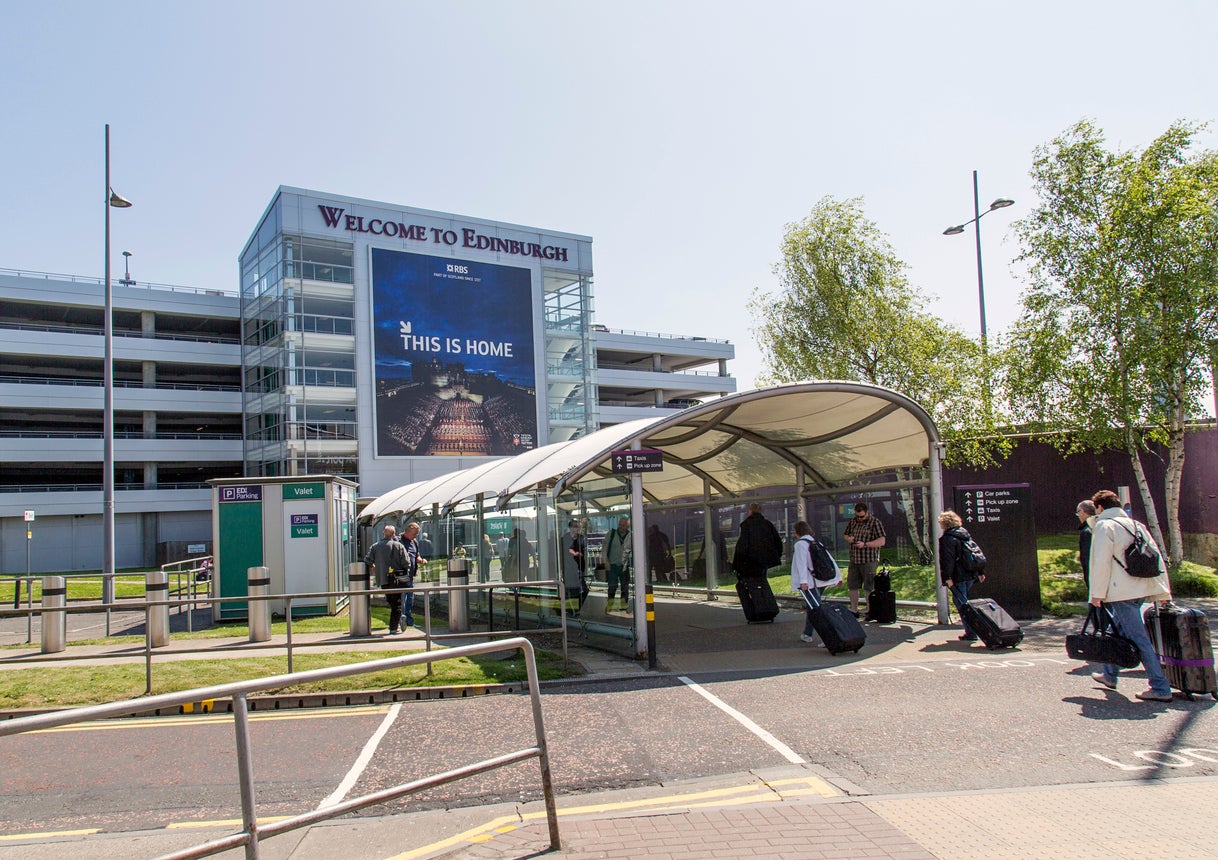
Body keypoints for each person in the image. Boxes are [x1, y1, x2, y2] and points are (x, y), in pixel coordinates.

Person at [1087, 489, 1173, 702]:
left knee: (1139, 639)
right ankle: (1109, 674)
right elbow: (1156, 558)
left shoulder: (1105, 526)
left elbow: (1101, 562)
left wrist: (1096, 594)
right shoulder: (1136, 525)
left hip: (1121, 591)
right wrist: (1163, 590)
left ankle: (1160, 687)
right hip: (1141, 589)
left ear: (1099, 507)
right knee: (1117, 632)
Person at [938, 510, 986, 641]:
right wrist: (980, 572)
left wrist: (947, 578)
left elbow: (948, 560)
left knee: (962, 605)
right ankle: (972, 631)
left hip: (957, 576)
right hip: (970, 574)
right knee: (964, 602)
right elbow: (974, 553)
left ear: (944, 523)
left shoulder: (948, 538)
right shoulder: (964, 534)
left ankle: (972, 632)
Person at [790, 520, 840, 645]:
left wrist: (802, 581)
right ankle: (807, 633)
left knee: (816, 610)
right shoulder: (816, 542)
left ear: (797, 532)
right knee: (813, 608)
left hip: (809, 582)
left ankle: (830, 637)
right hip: (820, 580)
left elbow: (801, 564)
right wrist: (838, 577)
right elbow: (829, 559)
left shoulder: (800, 544)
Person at [363, 524, 410, 635]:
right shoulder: (399, 546)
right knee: (397, 603)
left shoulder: (375, 546)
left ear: (383, 533)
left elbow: (367, 560)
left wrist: (373, 566)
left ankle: (397, 621)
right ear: (393, 535)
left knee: (391, 601)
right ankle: (394, 626)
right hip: (398, 580)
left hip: (384, 579)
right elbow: (406, 563)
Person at [844, 502, 886, 617]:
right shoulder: (853, 521)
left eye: (862, 516)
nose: (859, 519)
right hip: (854, 558)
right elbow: (845, 535)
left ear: (867, 513)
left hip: (869, 558)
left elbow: (882, 541)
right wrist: (849, 539)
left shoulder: (875, 522)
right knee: (852, 584)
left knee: (869, 586)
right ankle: (854, 609)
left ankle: (870, 609)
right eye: (857, 516)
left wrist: (865, 544)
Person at [732, 503, 783, 580]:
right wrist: (776, 555)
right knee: (761, 579)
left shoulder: (746, 525)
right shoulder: (767, 524)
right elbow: (777, 541)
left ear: (750, 511)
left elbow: (743, 545)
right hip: (764, 559)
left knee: (752, 582)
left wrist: (737, 564)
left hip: (750, 560)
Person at [603, 517, 632, 610]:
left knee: (625, 587)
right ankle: (610, 604)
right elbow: (604, 548)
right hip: (613, 565)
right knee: (612, 586)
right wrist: (605, 561)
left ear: (628, 526)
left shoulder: (631, 536)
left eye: (623, 525)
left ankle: (623, 605)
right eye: (620, 524)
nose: (620, 527)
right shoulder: (611, 534)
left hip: (624, 566)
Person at [560, 520, 587, 617]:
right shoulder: (565, 538)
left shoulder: (581, 538)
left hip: (579, 567)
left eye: (578, 526)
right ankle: (571, 610)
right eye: (575, 526)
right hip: (568, 567)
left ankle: (576, 608)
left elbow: (583, 551)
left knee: (584, 590)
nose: (577, 528)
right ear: (570, 527)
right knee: (570, 590)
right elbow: (566, 550)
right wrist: (574, 553)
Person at [1076, 499, 1096, 588]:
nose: (1078, 516)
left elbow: (1088, 560)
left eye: (1078, 513)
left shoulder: (1087, 532)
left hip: (1094, 581)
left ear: (1082, 512)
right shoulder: (1099, 525)